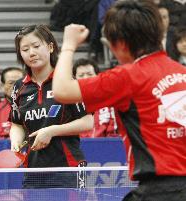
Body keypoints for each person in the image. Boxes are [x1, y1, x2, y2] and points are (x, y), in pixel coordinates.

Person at [53, 0, 186, 200]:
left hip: (161, 191)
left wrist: (69, 45)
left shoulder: (127, 76)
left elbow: (62, 90)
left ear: (121, 44)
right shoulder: (182, 72)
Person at [10, 24, 93, 189]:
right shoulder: (19, 88)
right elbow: (16, 124)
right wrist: (15, 141)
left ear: (50, 46)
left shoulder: (67, 82)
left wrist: (51, 131)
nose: (31, 53)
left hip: (68, 168)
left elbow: (87, 122)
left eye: (36, 46)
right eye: (25, 49)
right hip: (33, 170)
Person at [72, 58, 119, 138]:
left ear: (98, 76)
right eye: (81, 75)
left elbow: (114, 136)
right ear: (74, 79)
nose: (86, 78)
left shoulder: (110, 103)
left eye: (90, 74)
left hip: (105, 148)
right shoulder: (68, 105)